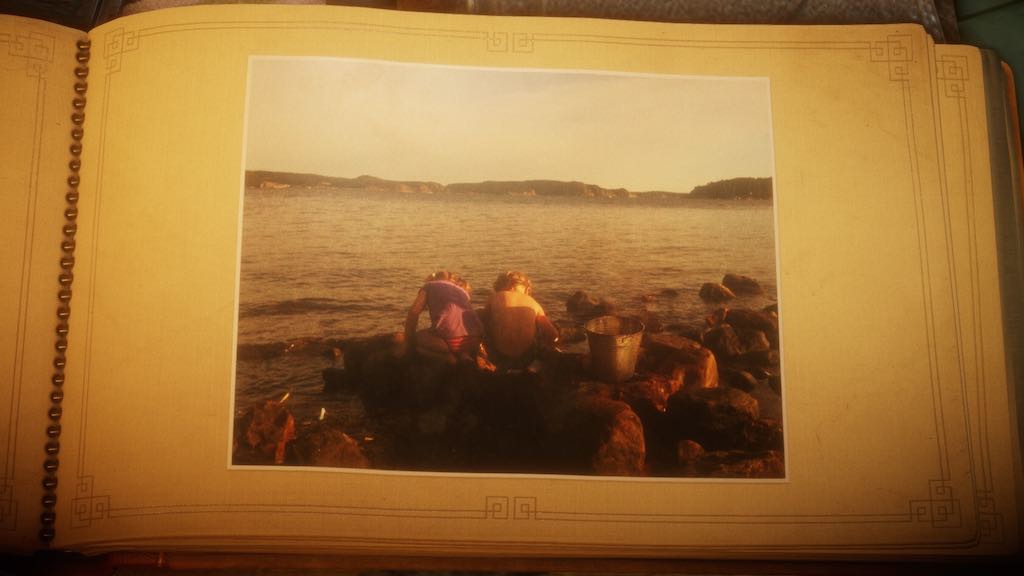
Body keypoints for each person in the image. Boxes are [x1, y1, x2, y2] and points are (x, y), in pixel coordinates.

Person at [480, 271, 559, 371]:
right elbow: (553, 335)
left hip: (499, 357)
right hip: (526, 358)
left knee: (484, 321)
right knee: (539, 330)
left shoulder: (494, 297)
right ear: (526, 288)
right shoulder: (534, 303)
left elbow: (483, 321)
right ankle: (533, 367)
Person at [404, 271, 484, 364]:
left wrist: (409, 339)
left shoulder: (428, 286)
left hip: (450, 341)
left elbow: (414, 312)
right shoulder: (461, 290)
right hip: (476, 340)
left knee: (417, 339)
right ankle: (464, 355)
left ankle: (448, 358)